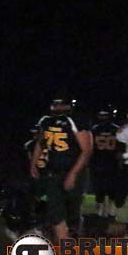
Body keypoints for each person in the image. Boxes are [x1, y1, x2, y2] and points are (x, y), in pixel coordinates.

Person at [30, 97, 93, 242]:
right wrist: (33, 163)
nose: (58, 107)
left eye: (61, 104)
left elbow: (87, 150)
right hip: (53, 171)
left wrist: (73, 174)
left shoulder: (76, 120)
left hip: (74, 171)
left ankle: (74, 236)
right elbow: (41, 142)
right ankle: (64, 243)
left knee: (72, 211)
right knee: (55, 210)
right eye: (56, 104)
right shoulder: (46, 121)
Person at [90, 106, 121, 218]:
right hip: (104, 162)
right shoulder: (116, 129)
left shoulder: (95, 129)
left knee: (108, 191)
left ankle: (105, 214)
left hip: (108, 163)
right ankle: (109, 214)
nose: (103, 117)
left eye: (104, 115)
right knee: (102, 191)